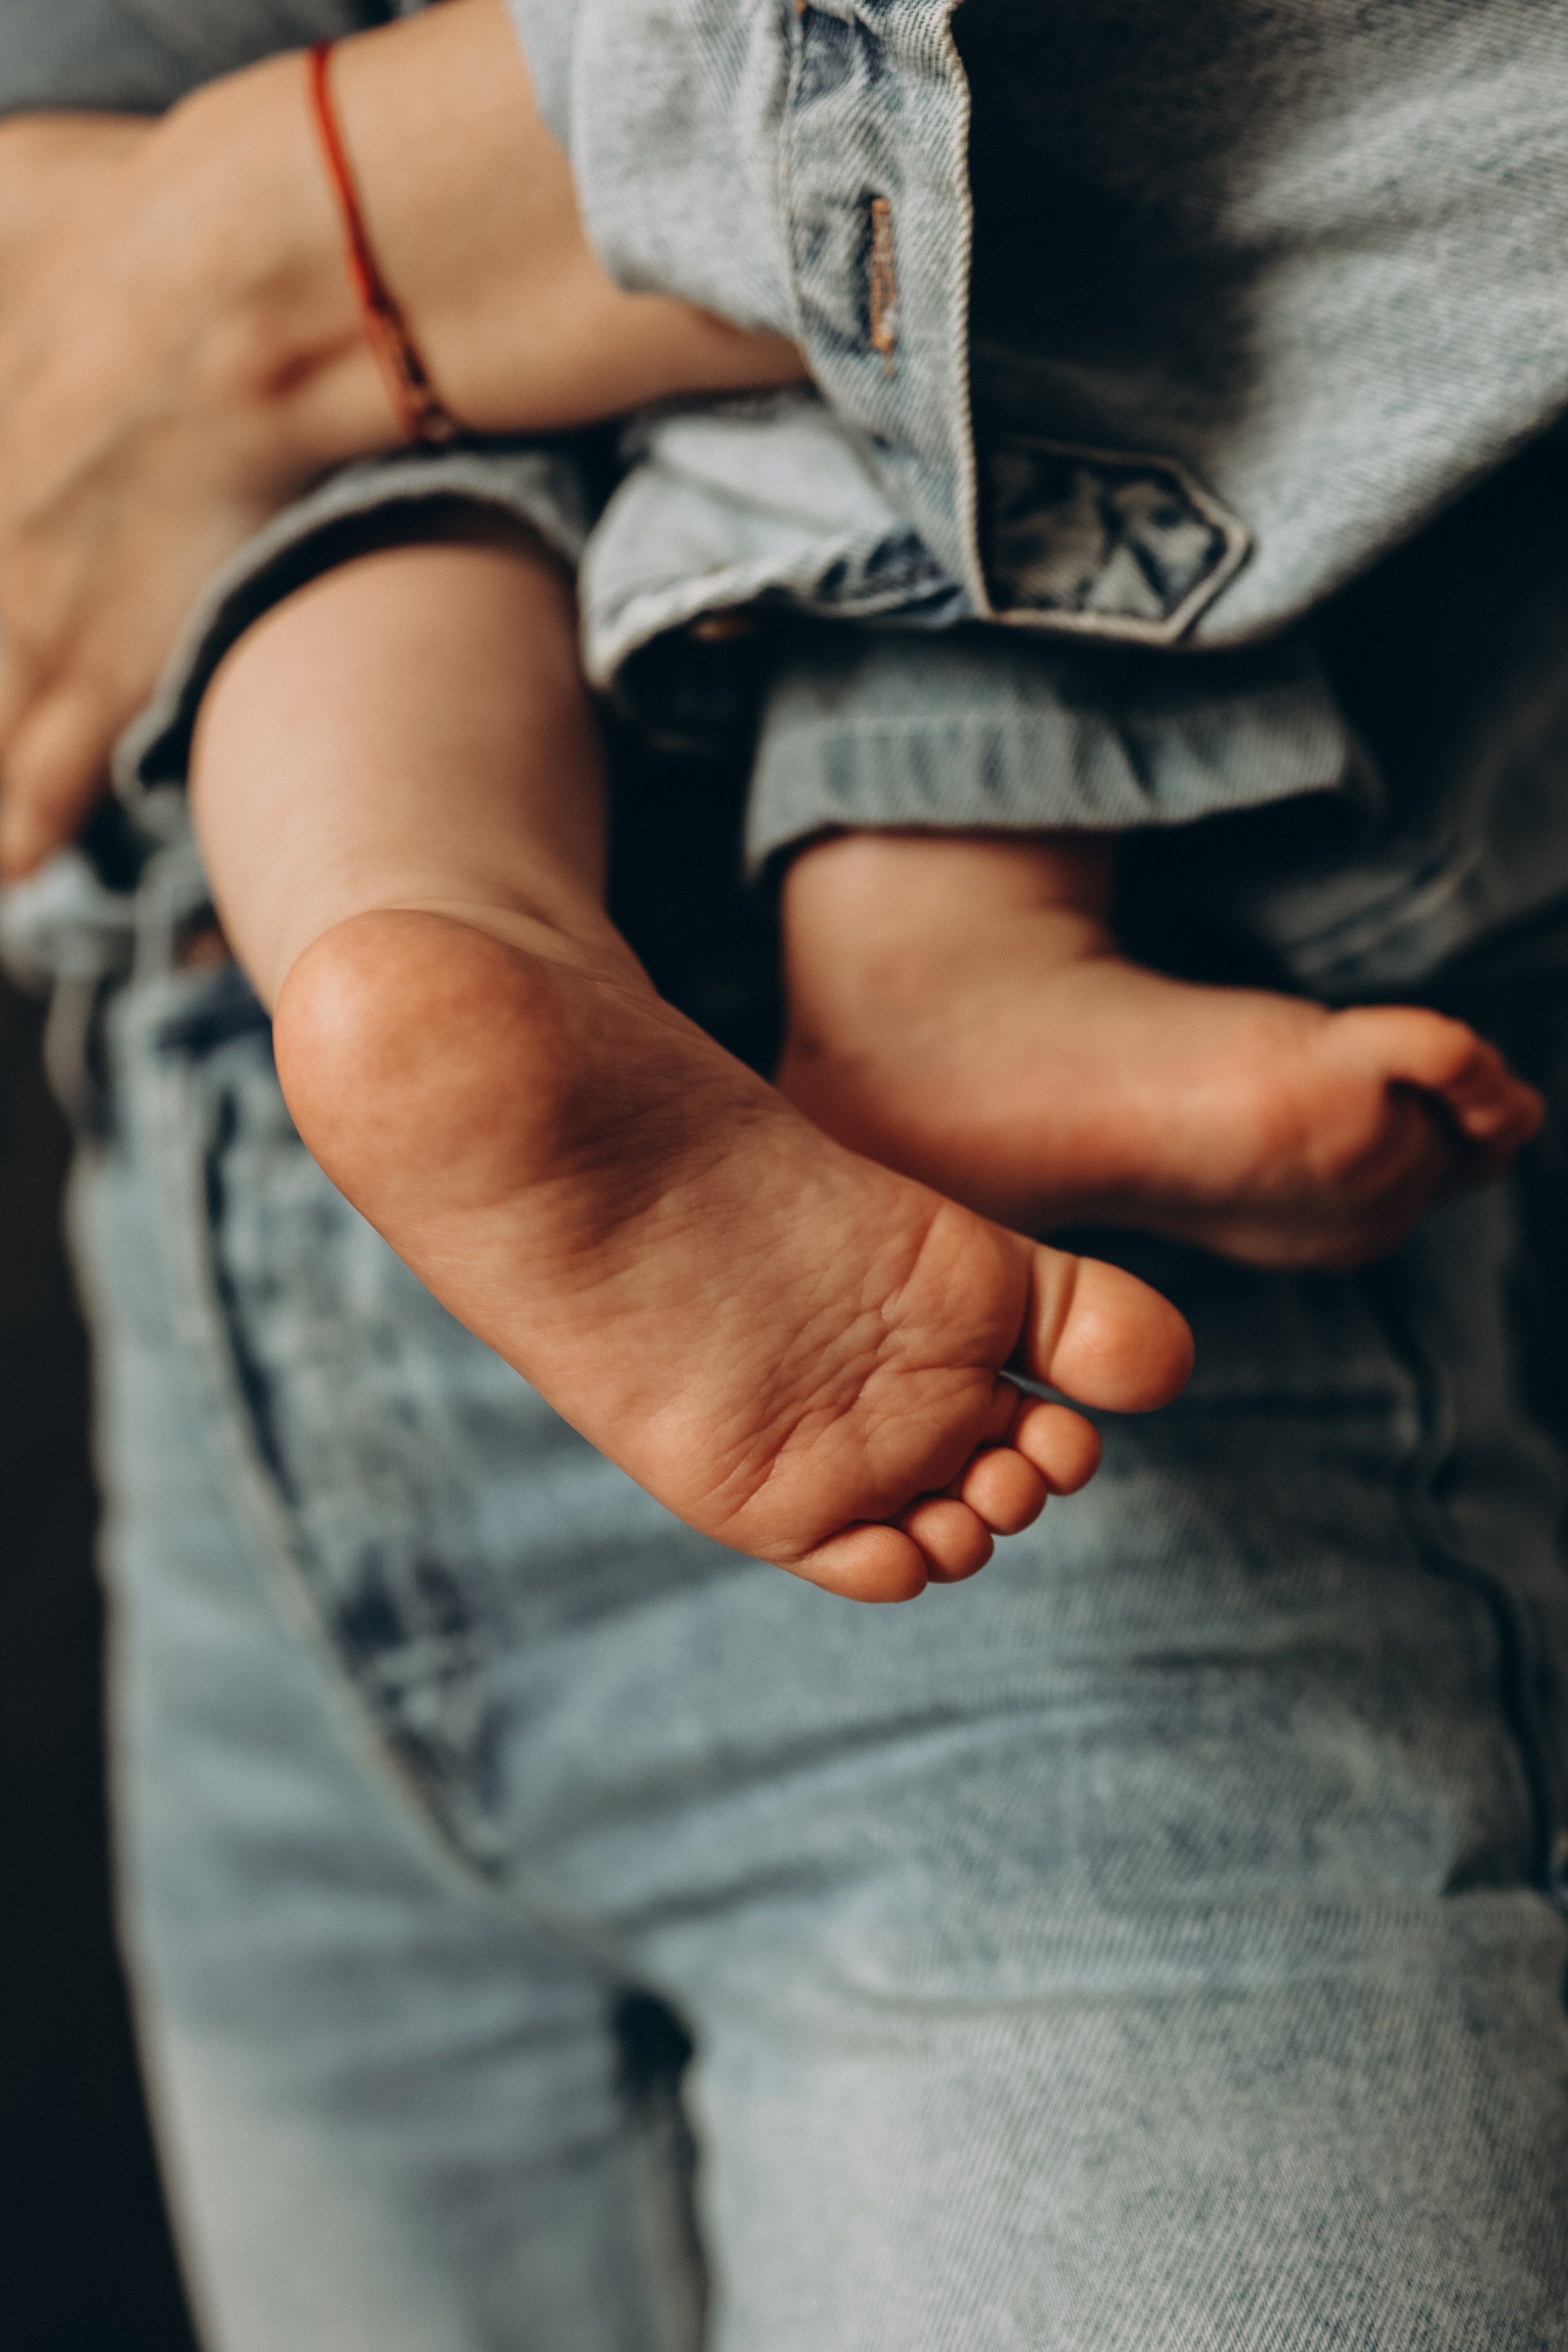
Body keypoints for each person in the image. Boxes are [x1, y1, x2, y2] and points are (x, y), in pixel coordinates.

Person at [2, 3, 1567, 2347]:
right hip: (812, 435)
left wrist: (220, 239)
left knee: (349, 506)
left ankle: (427, 918)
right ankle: (929, 961)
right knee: (926, 409)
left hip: (238, 981)